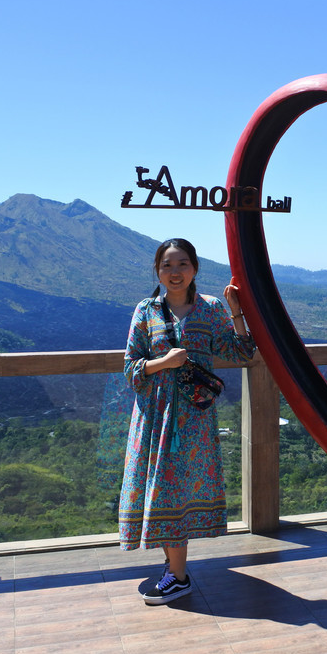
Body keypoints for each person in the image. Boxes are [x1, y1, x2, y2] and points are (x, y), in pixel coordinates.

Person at [119, 237, 255, 604]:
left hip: (193, 422)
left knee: (173, 492)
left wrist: (235, 311)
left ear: (194, 268)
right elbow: (131, 370)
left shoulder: (210, 309)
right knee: (165, 491)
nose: (174, 272)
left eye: (182, 264)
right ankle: (176, 570)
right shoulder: (146, 311)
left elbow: (241, 352)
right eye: (167, 265)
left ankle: (178, 576)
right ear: (157, 271)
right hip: (154, 418)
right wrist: (165, 362)